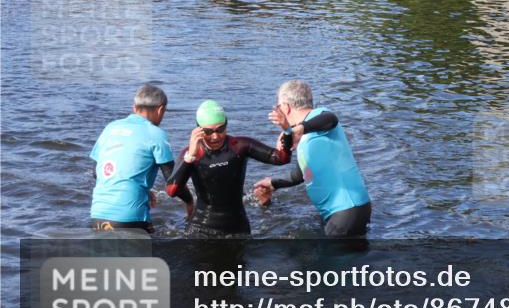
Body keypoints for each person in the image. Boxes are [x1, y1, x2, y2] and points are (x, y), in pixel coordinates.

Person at [253, 80, 372, 237]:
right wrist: (273, 183)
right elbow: (301, 173)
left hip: (347, 209)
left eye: (278, 107)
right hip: (340, 212)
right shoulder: (308, 136)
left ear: (286, 107)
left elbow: (331, 118)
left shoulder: (319, 118)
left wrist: (298, 129)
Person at [165, 100, 292, 236]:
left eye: (220, 129)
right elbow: (172, 190)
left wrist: (287, 130)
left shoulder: (240, 146)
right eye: (208, 131)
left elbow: (282, 159)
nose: (215, 136)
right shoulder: (190, 154)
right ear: (198, 130)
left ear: (226, 125)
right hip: (201, 227)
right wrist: (190, 156)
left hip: (237, 226)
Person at [90, 84, 174, 232]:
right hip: (131, 218)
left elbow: (96, 172)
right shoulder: (156, 134)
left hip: (98, 216)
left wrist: (141, 189)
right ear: (160, 109)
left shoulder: (110, 127)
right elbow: (173, 182)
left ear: (134, 108)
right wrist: (190, 202)